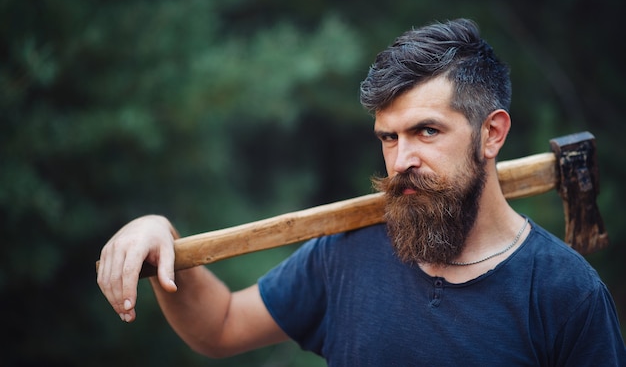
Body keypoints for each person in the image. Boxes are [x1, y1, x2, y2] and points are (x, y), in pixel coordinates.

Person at [97, 18, 626, 365]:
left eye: (427, 131)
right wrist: (159, 233)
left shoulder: (564, 294)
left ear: (492, 133)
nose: (401, 160)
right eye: (388, 138)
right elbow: (220, 326)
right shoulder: (347, 253)